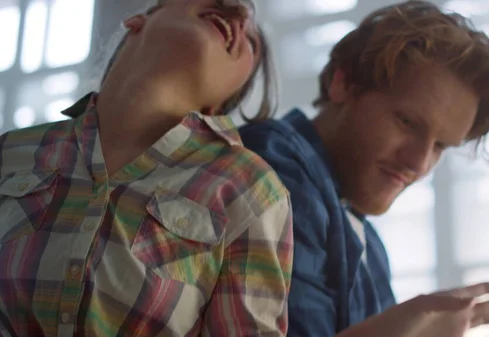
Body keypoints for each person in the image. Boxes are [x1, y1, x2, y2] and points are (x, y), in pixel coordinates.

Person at [0, 0, 293, 336]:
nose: (241, 15)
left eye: (250, 42)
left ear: (225, 97)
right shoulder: (10, 152)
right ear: (138, 20)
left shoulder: (250, 190)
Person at [240, 1, 489, 336]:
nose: (418, 163)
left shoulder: (370, 248)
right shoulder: (274, 167)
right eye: (407, 122)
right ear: (344, 82)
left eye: (439, 146)